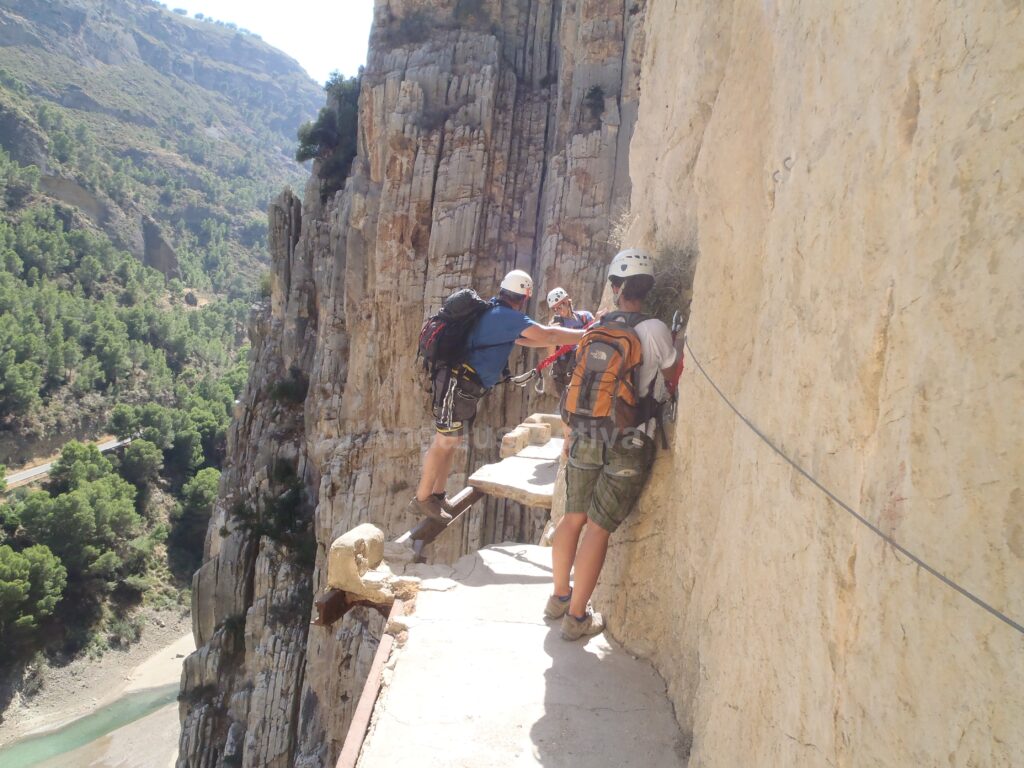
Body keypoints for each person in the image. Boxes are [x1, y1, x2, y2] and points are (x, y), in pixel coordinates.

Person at [545, 248, 685, 641]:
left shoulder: (597, 326)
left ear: (615, 287)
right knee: (598, 529)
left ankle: (559, 597)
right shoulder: (655, 329)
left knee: (572, 518)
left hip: (588, 432)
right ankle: (576, 619)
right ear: (648, 289)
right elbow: (674, 373)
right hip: (628, 438)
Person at [410, 270, 587, 522]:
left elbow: (528, 339)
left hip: (465, 387)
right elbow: (548, 335)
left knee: (452, 441)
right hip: (457, 384)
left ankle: (437, 495)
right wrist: (586, 334)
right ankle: (422, 498)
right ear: (524, 297)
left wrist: (564, 340)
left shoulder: (497, 312)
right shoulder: (505, 316)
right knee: (444, 441)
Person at [545, 287, 595, 396]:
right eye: (555, 309)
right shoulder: (556, 323)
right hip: (566, 368)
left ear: (567, 300)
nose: (558, 311)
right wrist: (552, 336)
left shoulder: (585, 317)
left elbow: (596, 337)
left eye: (560, 306)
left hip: (585, 364)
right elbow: (551, 353)